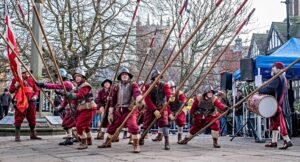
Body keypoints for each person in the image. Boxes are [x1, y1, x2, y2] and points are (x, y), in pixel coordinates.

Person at [98, 67, 143, 153]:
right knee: (112, 126)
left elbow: (137, 92)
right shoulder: (116, 86)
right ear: (120, 76)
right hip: (118, 110)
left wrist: (139, 97)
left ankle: (136, 145)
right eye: (123, 75)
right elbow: (113, 100)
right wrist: (111, 112)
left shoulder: (133, 84)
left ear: (128, 76)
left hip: (130, 110)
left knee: (133, 126)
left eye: (126, 74)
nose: (124, 76)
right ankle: (107, 142)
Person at [36, 68, 75, 145]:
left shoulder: (67, 83)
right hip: (70, 105)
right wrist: (62, 107)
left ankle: (74, 137)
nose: (57, 78)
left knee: (68, 122)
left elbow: (57, 86)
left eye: (58, 77)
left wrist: (44, 85)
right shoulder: (66, 84)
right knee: (68, 122)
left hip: (73, 105)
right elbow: (65, 96)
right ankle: (71, 137)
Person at [259, 62, 293, 149]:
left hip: (278, 104)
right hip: (278, 104)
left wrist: (260, 89)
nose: (272, 70)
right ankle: (274, 142)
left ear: (277, 69)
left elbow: (270, 89)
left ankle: (287, 140)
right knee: (274, 123)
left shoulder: (278, 77)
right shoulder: (283, 77)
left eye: (273, 68)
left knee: (280, 123)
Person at [64, 68, 97, 150]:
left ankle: (84, 142)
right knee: (85, 125)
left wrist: (71, 95)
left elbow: (81, 95)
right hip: (83, 108)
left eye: (79, 76)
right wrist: (73, 108)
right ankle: (89, 140)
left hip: (89, 107)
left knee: (79, 125)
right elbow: (75, 100)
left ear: (83, 77)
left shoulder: (85, 86)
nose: (77, 78)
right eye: (76, 76)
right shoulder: (77, 87)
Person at [9, 67, 42, 142]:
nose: (28, 74)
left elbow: (36, 90)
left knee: (32, 118)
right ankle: (17, 135)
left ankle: (33, 134)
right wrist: (16, 86)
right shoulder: (16, 79)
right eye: (26, 72)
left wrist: (35, 96)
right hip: (21, 101)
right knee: (18, 118)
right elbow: (11, 90)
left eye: (28, 72)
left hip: (30, 102)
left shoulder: (31, 79)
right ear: (21, 73)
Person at [143, 68, 173, 150]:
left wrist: (170, 97)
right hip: (151, 107)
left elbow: (168, 92)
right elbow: (147, 99)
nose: (158, 78)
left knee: (164, 124)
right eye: (156, 76)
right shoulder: (148, 86)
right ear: (153, 77)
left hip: (162, 107)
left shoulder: (164, 85)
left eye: (159, 76)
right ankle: (142, 138)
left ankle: (167, 142)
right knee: (147, 123)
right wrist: (154, 110)